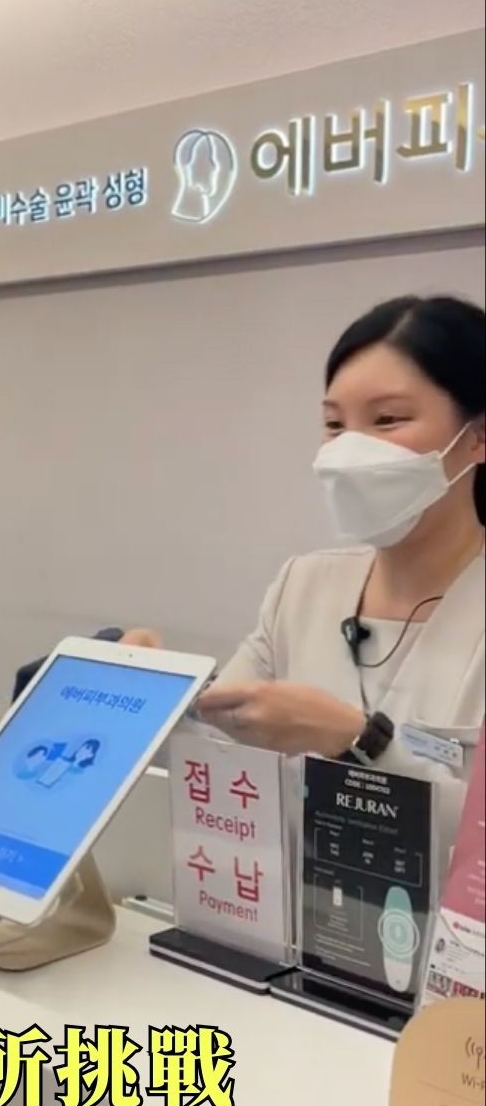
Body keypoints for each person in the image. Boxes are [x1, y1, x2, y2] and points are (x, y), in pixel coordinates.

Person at [195, 294, 485, 777]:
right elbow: (222, 745)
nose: (351, 450)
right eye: (334, 425)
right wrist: (159, 696)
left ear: (477, 437)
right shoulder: (303, 587)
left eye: (387, 419)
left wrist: (357, 740)